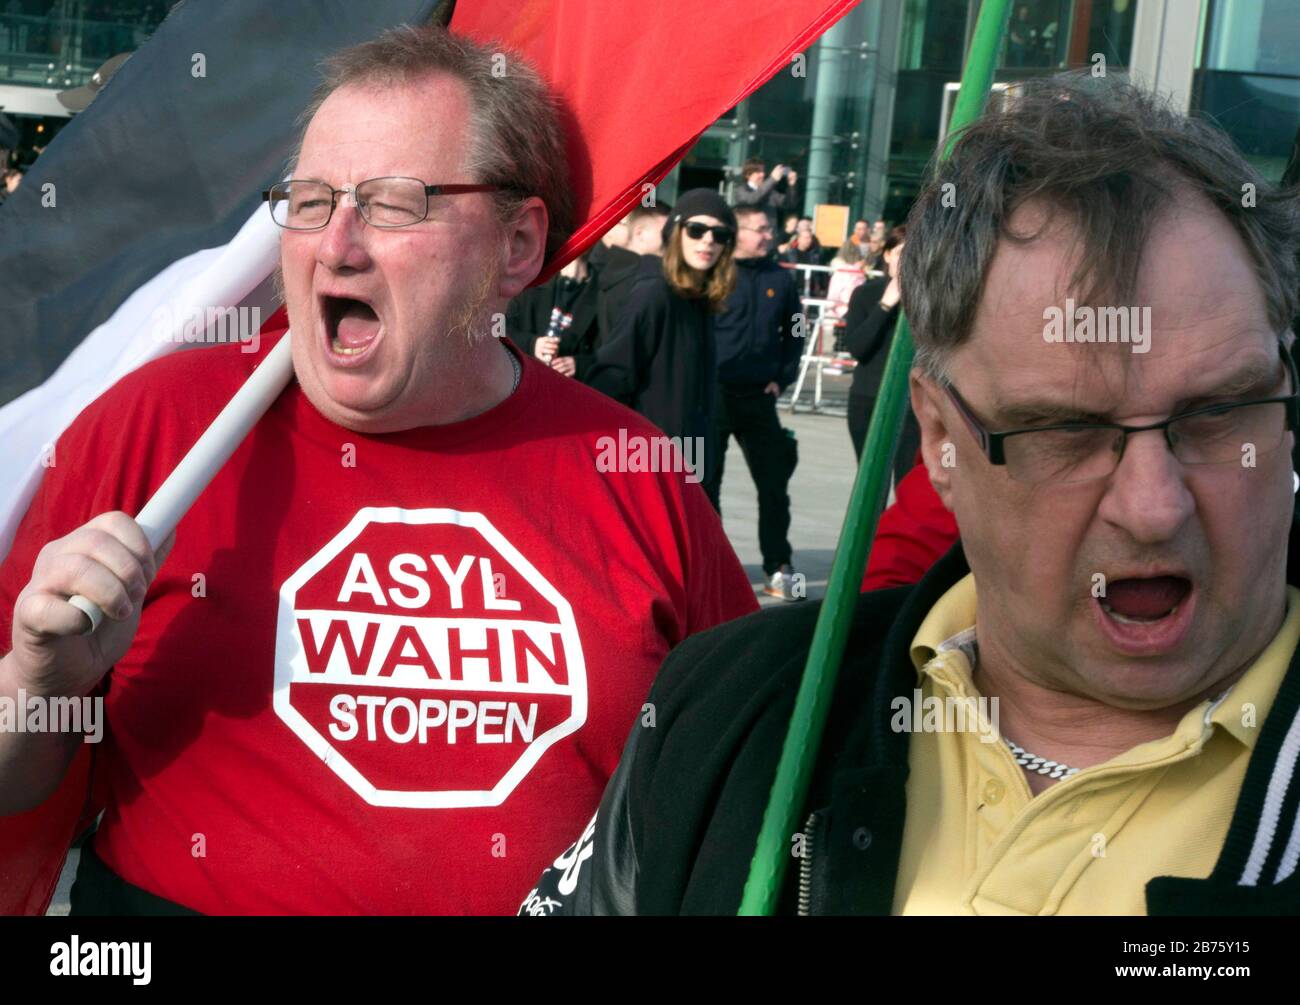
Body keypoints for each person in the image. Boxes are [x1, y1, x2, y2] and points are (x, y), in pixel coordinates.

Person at [0, 24, 757, 917]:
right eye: (311, 200)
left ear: (518, 245)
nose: (337, 244)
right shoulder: (154, 427)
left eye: (394, 203)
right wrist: (38, 686)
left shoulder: (638, 478)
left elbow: (737, 779)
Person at [524, 74, 1300, 915]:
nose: (1154, 506)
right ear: (939, 441)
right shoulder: (739, 713)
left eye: (1219, 413)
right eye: (1066, 434)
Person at [587, 190, 738, 487]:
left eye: (719, 235)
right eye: (696, 230)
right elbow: (612, 377)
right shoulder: (654, 292)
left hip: (692, 458)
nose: (708, 240)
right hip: (646, 462)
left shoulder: (701, 300)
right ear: (675, 234)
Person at [703, 204, 804, 601]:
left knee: (774, 485)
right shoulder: (713, 272)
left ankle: (778, 567)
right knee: (706, 485)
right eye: (759, 228)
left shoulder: (781, 278)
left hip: (759, 399)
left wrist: (783, 377)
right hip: (711, 399)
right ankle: (713, 569)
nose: (768, 235)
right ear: (738, 231)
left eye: (770, 228)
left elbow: (795, 330)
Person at [844, 225, 918, 483]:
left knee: (907, 483)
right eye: (900, 253)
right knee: (871, 481)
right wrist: (885, 305)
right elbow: (856, 347)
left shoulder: (927, 299)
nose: (906, 261)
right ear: (887, 255)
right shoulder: (865, 294)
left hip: (912, 407)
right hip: (868, 401)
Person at [504, 253, 601, 381]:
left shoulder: (602, 293)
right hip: (523, 378)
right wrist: (532, 344)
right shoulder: (533, 280)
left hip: (565, 387)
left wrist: (579, 365)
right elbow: (498, 328)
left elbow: (614, 352)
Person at [592, 204, 669, 347]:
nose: (672, 241)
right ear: (639, 234)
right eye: (666, 234)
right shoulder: (642, 283)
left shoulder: (615, 273)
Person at [733, 158, 794, 237]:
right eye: (758, 172)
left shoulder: (769, 190)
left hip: (769, 240)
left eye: (763, 171)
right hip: (750, 238)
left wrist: (792, 186)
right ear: (747, 174)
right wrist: (772, 179)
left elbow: (788, 204)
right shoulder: (741, 190)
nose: (762, 175)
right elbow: (753, 199)